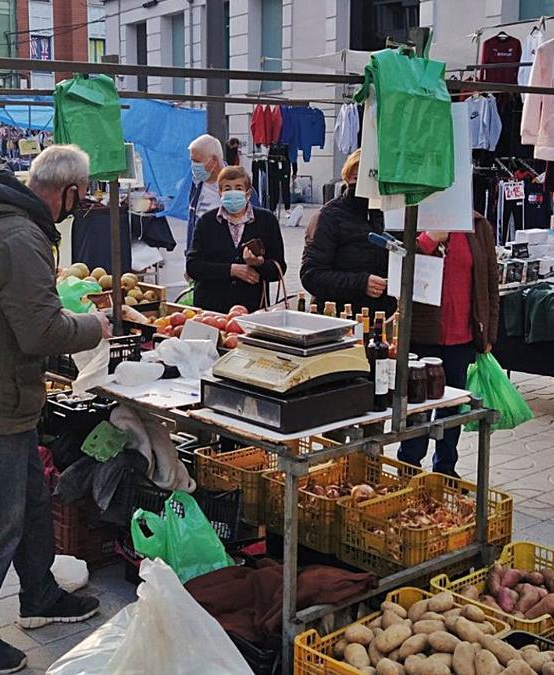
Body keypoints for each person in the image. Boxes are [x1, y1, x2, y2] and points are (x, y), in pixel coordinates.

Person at [0, 144, 111, 674]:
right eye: (80, 199)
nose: (78, 209)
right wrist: (93, 326)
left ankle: (40, 596)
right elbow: (39, 332)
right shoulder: (17, 236)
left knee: (33, 501)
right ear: (69, 191)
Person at [397, 214, 500, 478]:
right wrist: (428, 240)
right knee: (417, 404)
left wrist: (488, 331)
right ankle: (408, 466)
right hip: (422, 335)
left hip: (462, 336)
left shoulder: (477, 226)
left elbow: (490, 281)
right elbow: (397, 267)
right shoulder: (413, 216)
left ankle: (445, 467)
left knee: (452, 405)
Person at [300, 149, 395, 318]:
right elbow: (311, 275)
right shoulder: (328, 217)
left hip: (382, 317)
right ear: (348, 177)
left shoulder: (388, 214)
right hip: (339, 317)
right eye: (357, 178)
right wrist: (361, 283)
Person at [186, 165, 286, 313]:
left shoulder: (266, 221)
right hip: (211, 310)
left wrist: (259, 263)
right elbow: (193, 266)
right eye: (227, 188)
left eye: (238, 188)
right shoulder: (206, 222)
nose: (233, 192)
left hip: (251, 309)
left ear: (248, 193)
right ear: (220, 192)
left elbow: (279, 269)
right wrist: (231, 270)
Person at [185, 134, 225, 249]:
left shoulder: (237, 185)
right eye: (192, 161)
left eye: (197, 161)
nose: (193, 166)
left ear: (214, 160)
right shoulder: (197, 184)